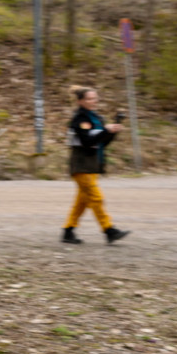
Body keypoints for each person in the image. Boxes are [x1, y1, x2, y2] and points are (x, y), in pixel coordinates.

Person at [61, 86, 130, 245]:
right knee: (96, 198)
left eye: (95, 98)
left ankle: (68, 231)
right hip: (81, 165)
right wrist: (106, 130)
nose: (94, 101)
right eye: (90, 98)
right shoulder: (79, 119)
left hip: (93, 165)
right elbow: (87, 141)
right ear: (80, 101)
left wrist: (112, 132)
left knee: (82, 202)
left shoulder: (97, 118)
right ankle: (109, 230)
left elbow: (102, 143)